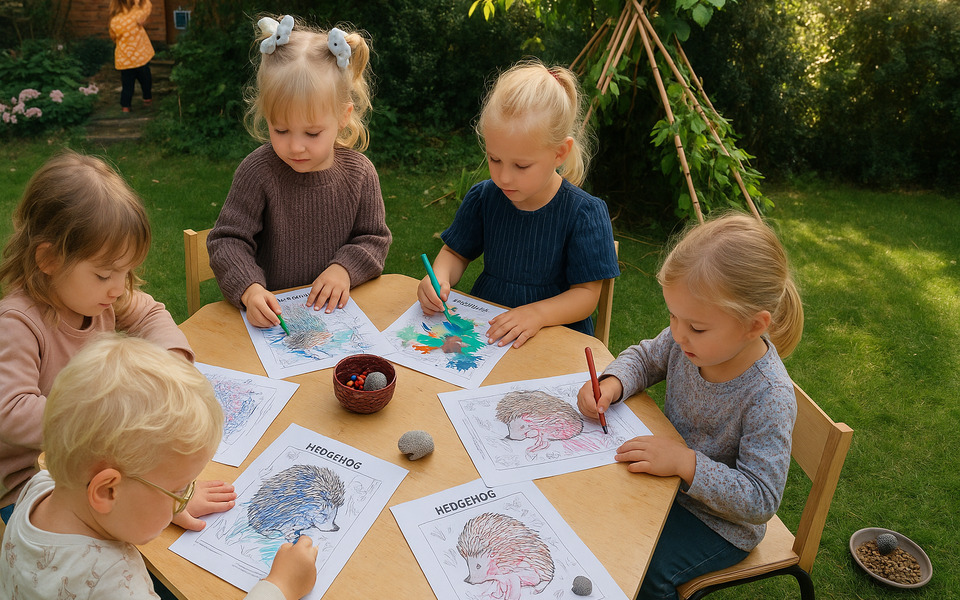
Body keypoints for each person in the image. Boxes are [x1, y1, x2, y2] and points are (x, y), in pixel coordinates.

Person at [576, 212, 805, 599]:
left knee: (643, 573)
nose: (678, 334)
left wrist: (686, 463)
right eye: (672, 315)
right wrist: (612, 383)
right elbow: (646, 358)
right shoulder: (688, 341)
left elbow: (760, 499)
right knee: (595, 520)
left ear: (754, 326)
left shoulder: (769, 396)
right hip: (666, 482)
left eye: (696, 326)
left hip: (719, 523)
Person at [0, 150, 234, 528]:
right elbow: (10, 411)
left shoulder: (97, 296)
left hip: (95, 465)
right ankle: (171, 502)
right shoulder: (18, 323)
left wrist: (173, 366)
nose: (118, 288)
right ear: (49, 260)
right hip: (35, 485)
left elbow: (150, 314)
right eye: (104, 274)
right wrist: (107, 418)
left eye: (126, 273)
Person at [0, 334, 319, 599]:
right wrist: (279, 587)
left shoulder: (40, 489)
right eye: (179, 491)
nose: (182, 500)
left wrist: (163, 499)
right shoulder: (117, 583)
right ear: (108, 491)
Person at [418, 60, 619, 348]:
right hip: (489, 332)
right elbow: (455, 253)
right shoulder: (484, 197)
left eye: (521, 166)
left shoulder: (584, 213)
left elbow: (586, 295)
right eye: (494, 159)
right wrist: (438, 278)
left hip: (554, 339)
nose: (503, 177)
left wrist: (537, 314)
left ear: (560, 153)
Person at [208, 16, 391, 328]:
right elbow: (227, 241)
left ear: (343, 116)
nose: (295, 147)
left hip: (337, 319)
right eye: (280, 130)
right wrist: (250, 289)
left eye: (312, 133)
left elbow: (374, 238)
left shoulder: (360, 173)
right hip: (273, 320)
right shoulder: (258, 171)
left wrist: (344, 269)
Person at [109, 0, 155, 113]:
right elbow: (147, 6)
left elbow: (113, 37)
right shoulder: (136, 15)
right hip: (140, 57)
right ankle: (147, 99)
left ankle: (125, 107)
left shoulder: (114, 20)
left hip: (125, 60)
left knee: (127, 86)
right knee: (146, 81)